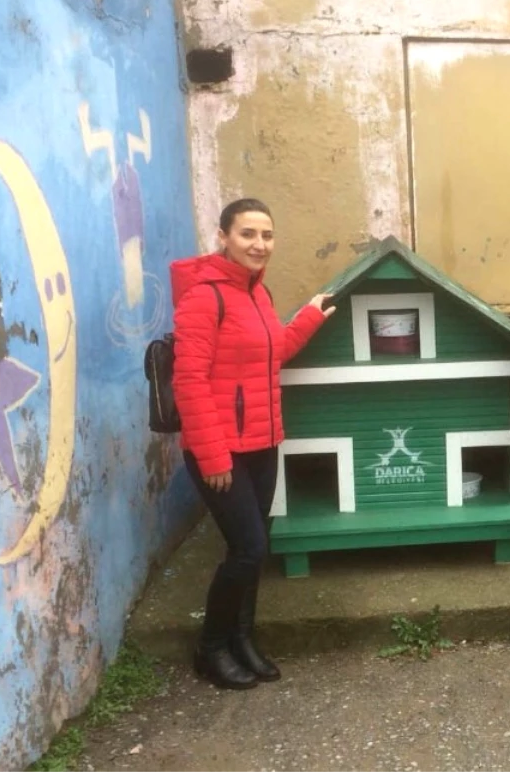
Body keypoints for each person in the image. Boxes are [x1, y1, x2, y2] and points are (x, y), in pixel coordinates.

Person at [171, 198, 335, 689]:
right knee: (247, 547)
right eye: (247, 234)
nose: (259, 244)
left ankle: (243, 639)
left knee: (253, 548)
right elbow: (189, 381)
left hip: (263, 442)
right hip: (220, 450)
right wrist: (212, 453)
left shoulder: (257, 295)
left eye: (266, 235)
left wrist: (306, 318)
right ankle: (211, 647)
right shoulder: (204, 297)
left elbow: (271, 354)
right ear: (223, 236)